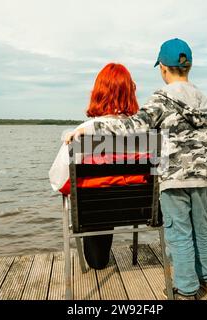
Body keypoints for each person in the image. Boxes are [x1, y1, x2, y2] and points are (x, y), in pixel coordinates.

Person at [66, 39, 207, 299]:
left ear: (162, 68)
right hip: (201, 176)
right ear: (189, 67)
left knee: (179, 232)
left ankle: (186, 288)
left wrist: (93, 129)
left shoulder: (162, 99)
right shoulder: (203, 100)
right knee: (202, 227)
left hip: (174, 179)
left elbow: (133, 127)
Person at [49, 63, 143, 269]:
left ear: (99, 93)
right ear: (130, 92)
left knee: (92, 193)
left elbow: (58, 179)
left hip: (94, 209)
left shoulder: (84, 131)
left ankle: (97, 258)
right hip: (138, 208)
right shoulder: (143, 132)